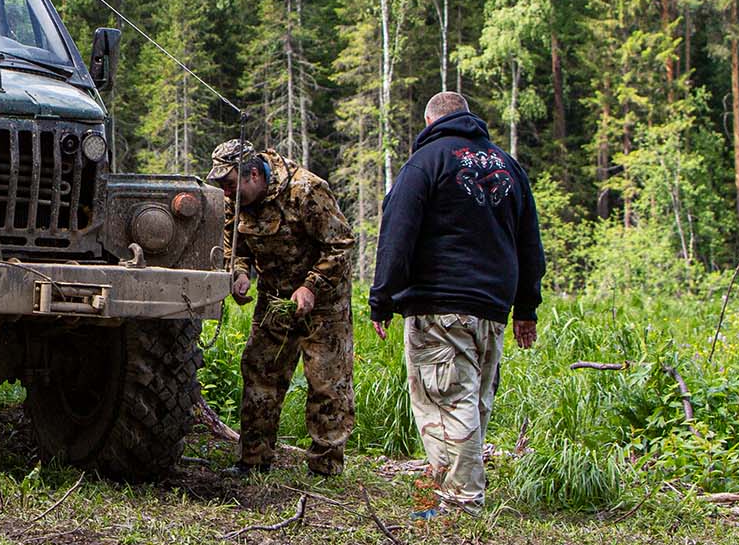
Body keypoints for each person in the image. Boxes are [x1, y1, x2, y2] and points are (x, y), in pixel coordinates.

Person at [367, 91, 545, 515]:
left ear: (430, 122)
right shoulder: (507, 166)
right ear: (469, 117)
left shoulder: (426, 162)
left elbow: (397, 233)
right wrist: (526, 308)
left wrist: (383, 298)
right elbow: (530, 244)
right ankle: (449, 488)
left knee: (446, 400)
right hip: (492, 307)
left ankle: (461, 503)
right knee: (473, 401)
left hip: (439, 304)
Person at [208, 138, 355, 476]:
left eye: (230, 185)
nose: (226, 194)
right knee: (260, 373)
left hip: (324, 306)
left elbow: (341, 245)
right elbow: (234, 245)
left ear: (254, 176)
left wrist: (311, 287)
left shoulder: (306, 191)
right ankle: (254, 462)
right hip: (275, 300)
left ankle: (325, 470)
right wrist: (240, 273)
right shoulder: (237, 202)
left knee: (328, 384)